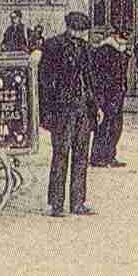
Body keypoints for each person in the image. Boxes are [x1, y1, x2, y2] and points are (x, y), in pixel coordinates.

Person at [38, 11, 97, 217]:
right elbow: (45, 83)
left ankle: (78, 202)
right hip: (62, 110)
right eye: (79, 31)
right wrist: (47, 113)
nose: (82, 35)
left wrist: (94, 106)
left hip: (83, 109)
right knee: (61, 154)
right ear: (72, 29)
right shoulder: (54, 46)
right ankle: (56, 204)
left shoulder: (86, 48)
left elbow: (90, 79)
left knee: (81, 155)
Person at [89, 25, 130, 168]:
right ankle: (98, 156)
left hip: (117, 95)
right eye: (121, 38)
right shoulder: (105, 51)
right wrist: (100, 99)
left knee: (116, 126)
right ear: (114, 36)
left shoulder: (121, 51)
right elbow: (99, 76)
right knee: (104, 126)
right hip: (106, 95)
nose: (124, 42)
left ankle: (110, 155)